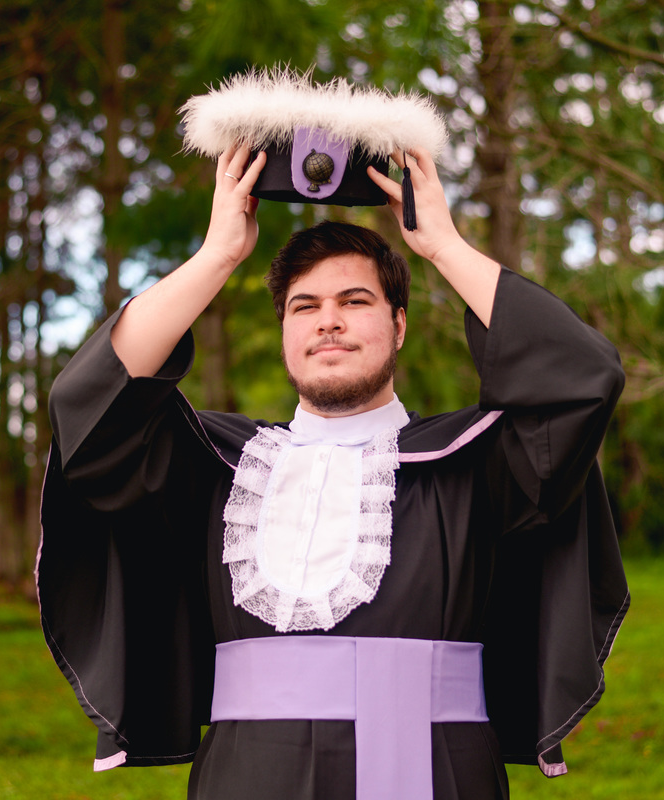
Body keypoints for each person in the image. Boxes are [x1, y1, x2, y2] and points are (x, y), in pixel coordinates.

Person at [38, 142, 629, 800]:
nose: (329, 322)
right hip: (246, 778)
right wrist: (217, 256)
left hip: (436, 771)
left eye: (355, 301)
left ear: (398, 325)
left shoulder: (472, 463)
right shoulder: (217, 467)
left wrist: (443, 246)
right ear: (285, 331)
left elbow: (582, 376)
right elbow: (89, 410)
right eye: (304, 306)